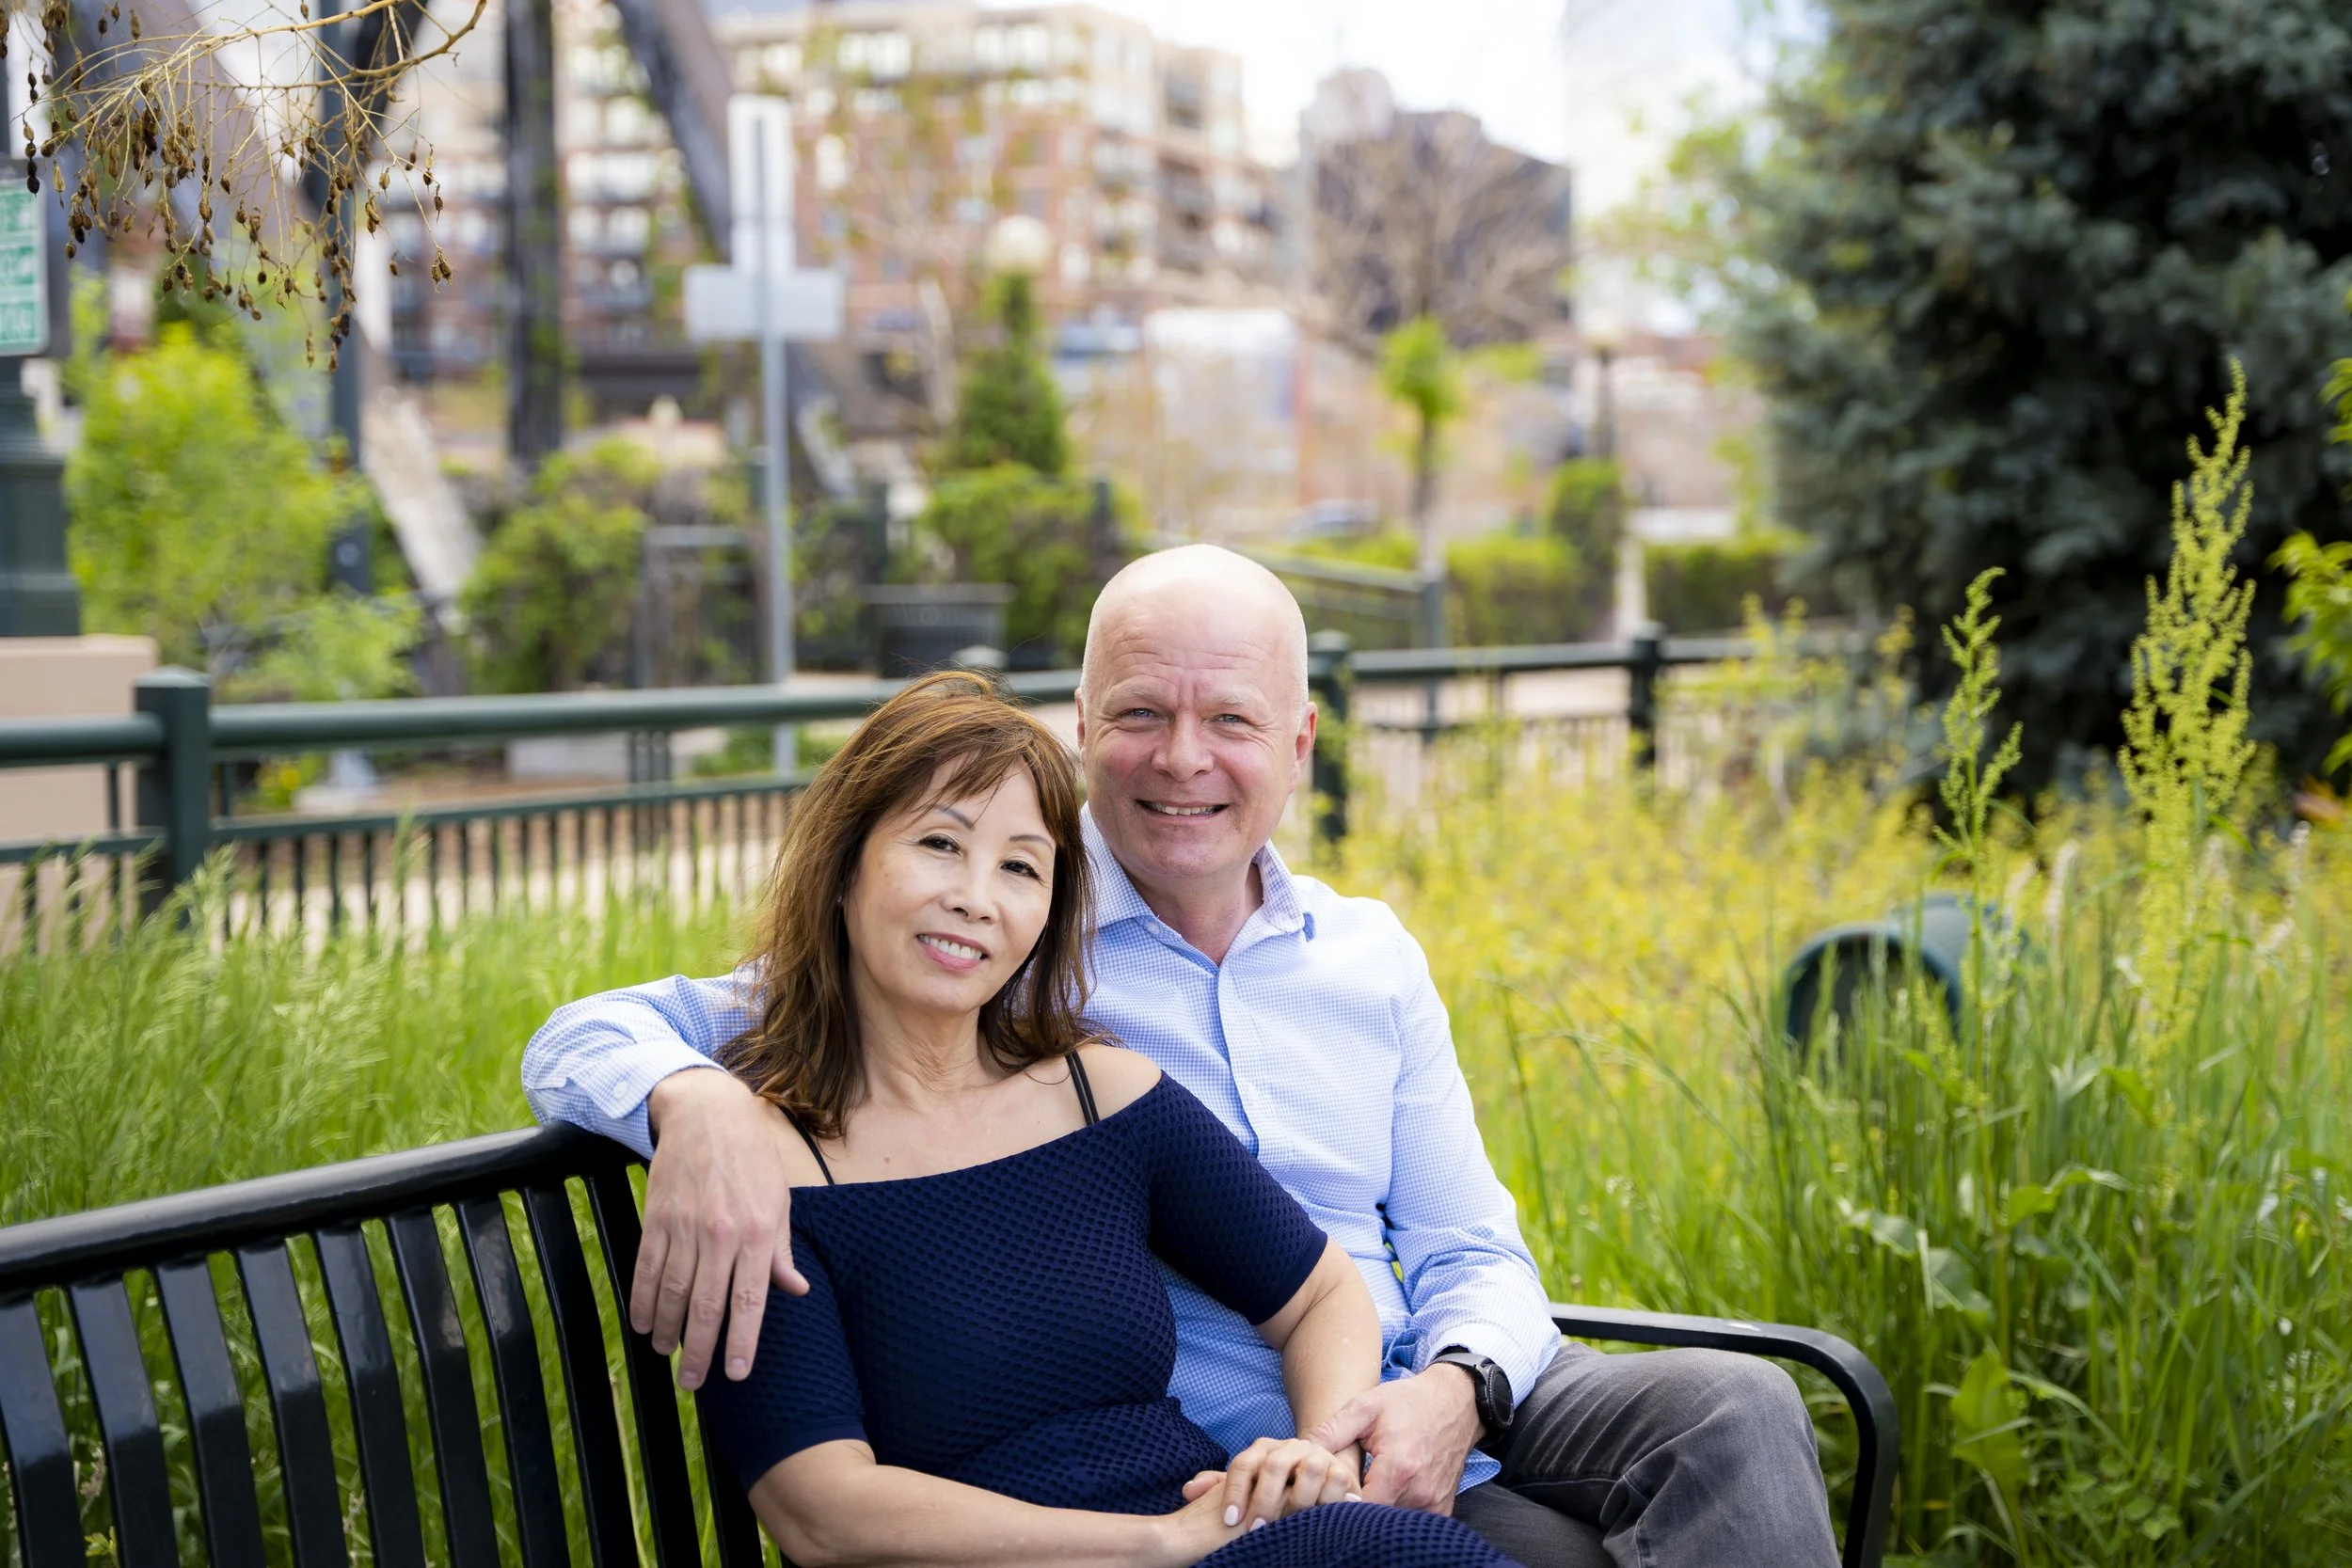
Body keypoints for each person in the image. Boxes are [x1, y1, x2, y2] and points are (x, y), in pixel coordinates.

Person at [524, 546, 1841, 1568]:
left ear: (1300, 741)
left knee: (1734, 1407)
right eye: (1143, 712)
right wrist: (692, 1094)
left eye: (1232, 720)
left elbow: (1469, 1247)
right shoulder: (1004, 947)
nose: (1184, 758)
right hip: (1221, 1459)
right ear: (1083, 723)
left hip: (1436, 1389)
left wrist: (1454, 1386)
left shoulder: (1366, 953)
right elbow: (610, 1028)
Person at [655, 670, 1516, 1568]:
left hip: (1214, 1532)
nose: (977, 896)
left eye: (1020, 866)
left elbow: (1320, 1292)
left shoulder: (1101, 1095)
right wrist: (1159, 1542)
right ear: (843, 866)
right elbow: (821, 1513)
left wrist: (1316, 1452)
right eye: (940, 844)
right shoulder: (754, 1172)